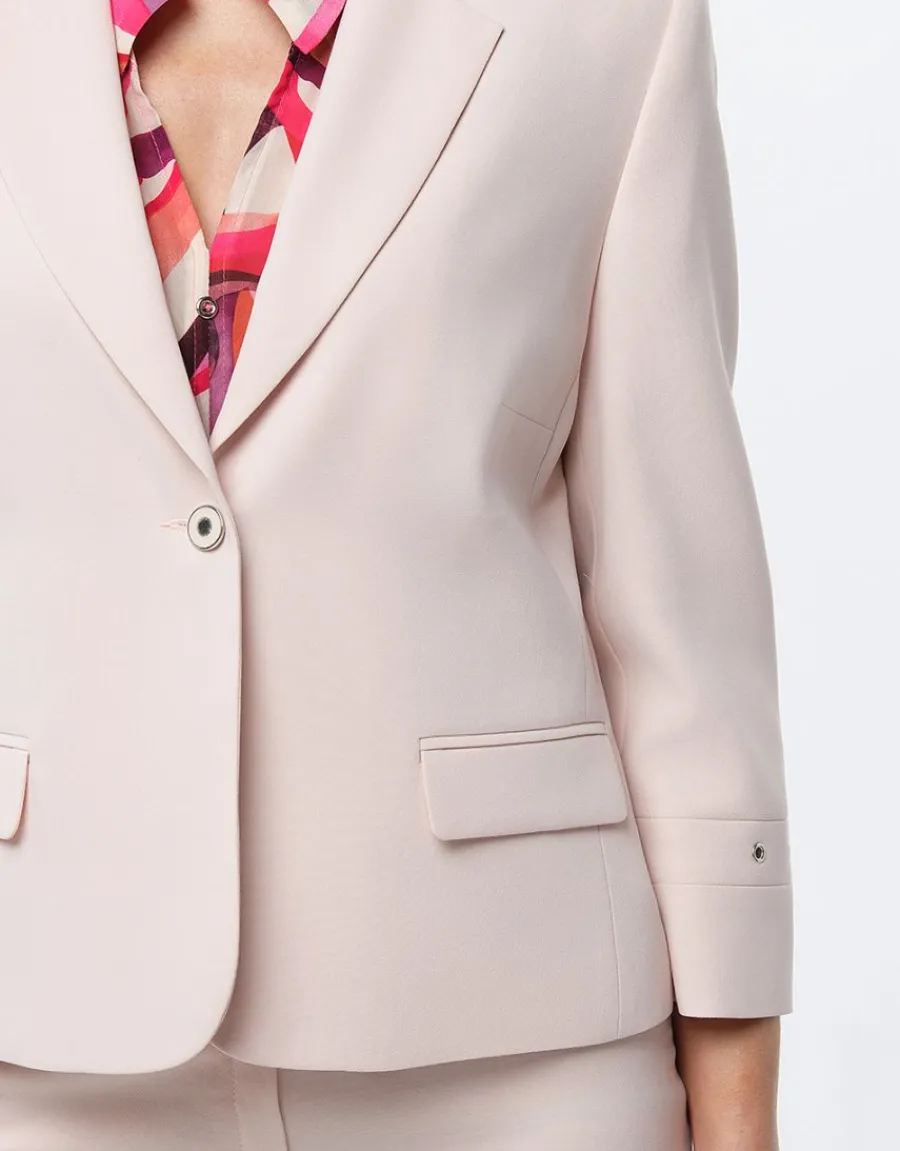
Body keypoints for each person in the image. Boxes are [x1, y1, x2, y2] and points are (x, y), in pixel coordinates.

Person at [0, 0, 792, 1147]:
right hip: (40, 1027)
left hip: (512, 1044)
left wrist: (739, 1113)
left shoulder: (611, 26)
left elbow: (681, 623)